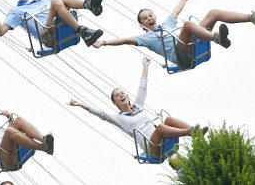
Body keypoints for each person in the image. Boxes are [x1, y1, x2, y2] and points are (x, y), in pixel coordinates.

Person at [68, 58, 207, 169]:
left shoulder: (138, 106)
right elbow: (101, 114)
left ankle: (197, 133)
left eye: (122, 93)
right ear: (115, 103)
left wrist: (145, 66)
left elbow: (143, 87)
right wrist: (81, 104)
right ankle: (189, 132)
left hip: (161, 138)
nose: (121, 95)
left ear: (127, 96)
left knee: (168, 119)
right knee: (160, 127)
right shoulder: (119, 118)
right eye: (117, 96)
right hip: (151, 147)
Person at [93, 0, 255, 67]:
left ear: (155, 17)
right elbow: (126, 40)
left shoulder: (166, 25)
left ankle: (252, 18)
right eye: (145, 18)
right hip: (181, 57)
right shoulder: (146, 38)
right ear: (142, 25)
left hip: (190, 44)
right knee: (187, 25)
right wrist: (104, 42)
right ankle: (216, 38)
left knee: (213, 13)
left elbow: (175, 11)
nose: (149, 18)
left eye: (150, 15)